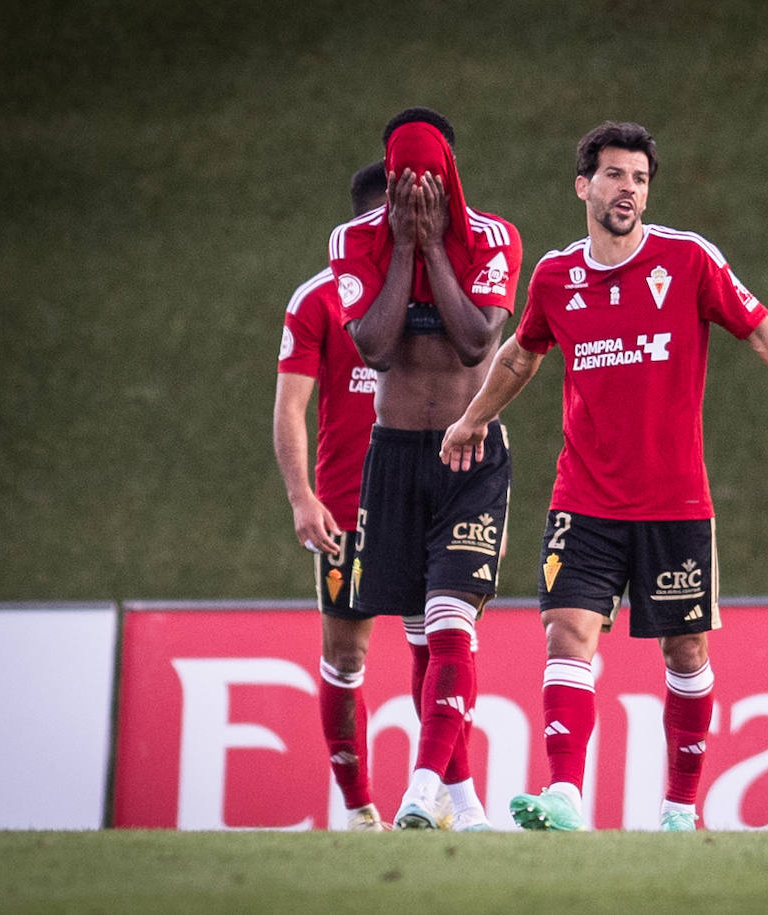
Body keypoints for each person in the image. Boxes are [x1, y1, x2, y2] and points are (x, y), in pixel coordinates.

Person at [440, 121, 768, 832]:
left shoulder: (689, 260)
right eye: (615, 175)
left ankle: (679, 807)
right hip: (583, 496)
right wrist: (472, 419)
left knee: (686, 649)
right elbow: (522, 354)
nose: (629, 190)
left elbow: (762, 330)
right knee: (567, 631)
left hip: (674, 501)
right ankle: (567, 797)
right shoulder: (556, 276)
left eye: (640, 179)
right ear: (584, 185)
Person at [329, 107, 522, 831]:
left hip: (468, 452)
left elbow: (477, 341)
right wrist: (404, 249)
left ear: (450, 178)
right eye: (403, 178)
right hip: (395, 453)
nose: (415, 191)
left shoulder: (493, 238)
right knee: (420, 633)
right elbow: (375, 349)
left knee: (449, 625)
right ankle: (467, 808)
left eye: (428, 178)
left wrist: (436, 248)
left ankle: (417, 788)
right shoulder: (354, 242)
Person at [274, 161, 395, 831]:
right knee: (346, 657)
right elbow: (291, 407)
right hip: (348, 512)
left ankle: (440, 795)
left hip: (424, 506)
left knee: (440, 643)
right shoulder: (317, 299)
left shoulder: (434, 287)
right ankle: (359, 811)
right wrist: (302, 496)